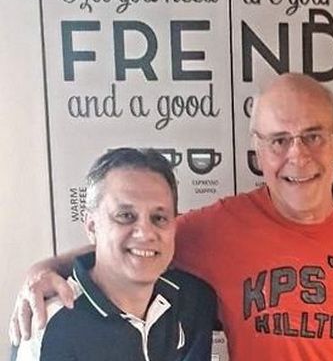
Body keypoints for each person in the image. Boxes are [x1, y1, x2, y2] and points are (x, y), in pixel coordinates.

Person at [10, 73, 333, 360]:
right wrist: (45, 268)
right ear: (258, 148)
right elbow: (140, 244)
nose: (298, 156)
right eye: (279, 140)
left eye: (313, 136)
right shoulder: (218, 229)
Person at [15, 148, 222, 361]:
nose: (145, 233)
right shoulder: (49, 325)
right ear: (92, 226)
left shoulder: (193, 302)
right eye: (125, 215)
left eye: (159, 218)